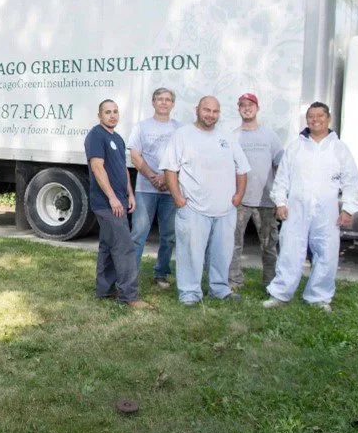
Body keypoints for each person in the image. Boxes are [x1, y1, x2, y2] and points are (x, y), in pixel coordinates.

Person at [264, 102, 358, 312]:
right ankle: (281, 294)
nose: (315, 119)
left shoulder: (339, 149)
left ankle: (318, 297)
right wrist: (280, 202)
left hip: (326, 211)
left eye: (320, 116)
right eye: (311, 116)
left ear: (329, 119)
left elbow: (351, 181)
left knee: (326, 251)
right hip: (296, 208)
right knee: (290, 250)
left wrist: (347, 208)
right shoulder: (296, 146)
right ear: (306, 120)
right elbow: (282, 177)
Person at [160, 96, 250, 305]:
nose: (210, 115)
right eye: (206, 110)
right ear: (197, 110)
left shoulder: (227, 137)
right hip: (193, 208)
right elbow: (170, 169)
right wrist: (178, 198)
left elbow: (242, 168)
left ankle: (219, 288)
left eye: (215, 111)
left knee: (222, 252)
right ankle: (190, 293)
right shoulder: (182, 135)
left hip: (225, 209)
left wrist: (238, 196)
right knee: (191, 253)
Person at [84, 99, 151, 309]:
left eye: (115, 112)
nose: (112, 115)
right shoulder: (96, 135)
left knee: (108, 246)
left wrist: (129, 194)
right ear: (99, 115)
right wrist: (112, 197)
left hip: (120, 200)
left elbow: (123, 169)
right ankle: (129, 296)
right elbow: (97, 167)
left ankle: (104, 290)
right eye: (107, 112)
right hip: (106, 203)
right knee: (124, 247)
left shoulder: (118, 139)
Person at [128, 87, 182, 289]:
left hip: (171, 190)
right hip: (145, 189)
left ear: (173, 104)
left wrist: (166, 179)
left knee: (168, 235)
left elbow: (183, 159)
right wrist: (152, 176)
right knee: (138, 234)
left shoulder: (180, 129)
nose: (164, 102)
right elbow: (135, 156)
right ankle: (130, 276)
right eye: (160, 99)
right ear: (153, 102)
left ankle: (161, 273)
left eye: (168, 99)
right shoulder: (141, 127)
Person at [230, 93, 283, 289]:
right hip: (240, 200)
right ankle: (234, 281)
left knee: (269, 245)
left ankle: (270, 283)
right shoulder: (233, 136)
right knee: (234, 244)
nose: (247, 108)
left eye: (250, 104)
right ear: (239, 109)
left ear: (257, 108)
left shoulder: (270, 136)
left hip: (266, 201)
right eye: (242, 105)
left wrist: (280, 199)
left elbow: (281, 167)